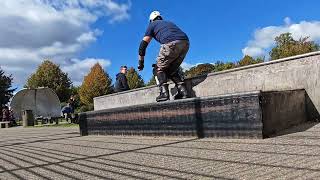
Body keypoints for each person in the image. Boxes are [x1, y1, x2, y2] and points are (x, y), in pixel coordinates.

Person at [138, 11, 190, 102]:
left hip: (171, 43)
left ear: (151, 20)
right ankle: (183, 92)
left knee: (158, 68)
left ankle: (164, 94)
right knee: (171, 70)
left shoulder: (152, 25)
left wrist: (141, 63)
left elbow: (143, 45)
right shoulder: (169, 23)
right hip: (185, 43)